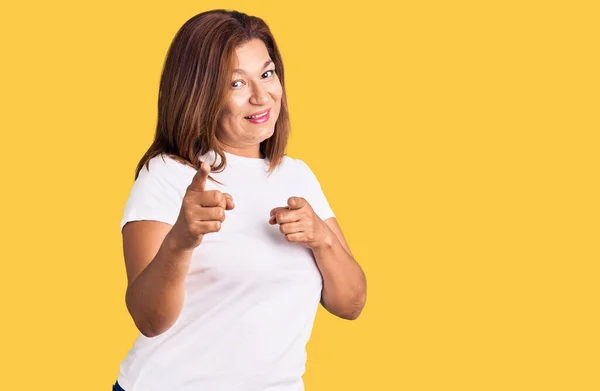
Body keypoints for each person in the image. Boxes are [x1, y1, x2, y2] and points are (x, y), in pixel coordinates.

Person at [113, 9, 367, 391]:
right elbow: (150, 320)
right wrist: (180, 242)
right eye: (236, 83)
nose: (261, 95)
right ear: (200, 95)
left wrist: (322, 238)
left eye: (267, 74)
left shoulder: (296, 175)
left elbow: (351, 305)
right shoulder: (167, 175)